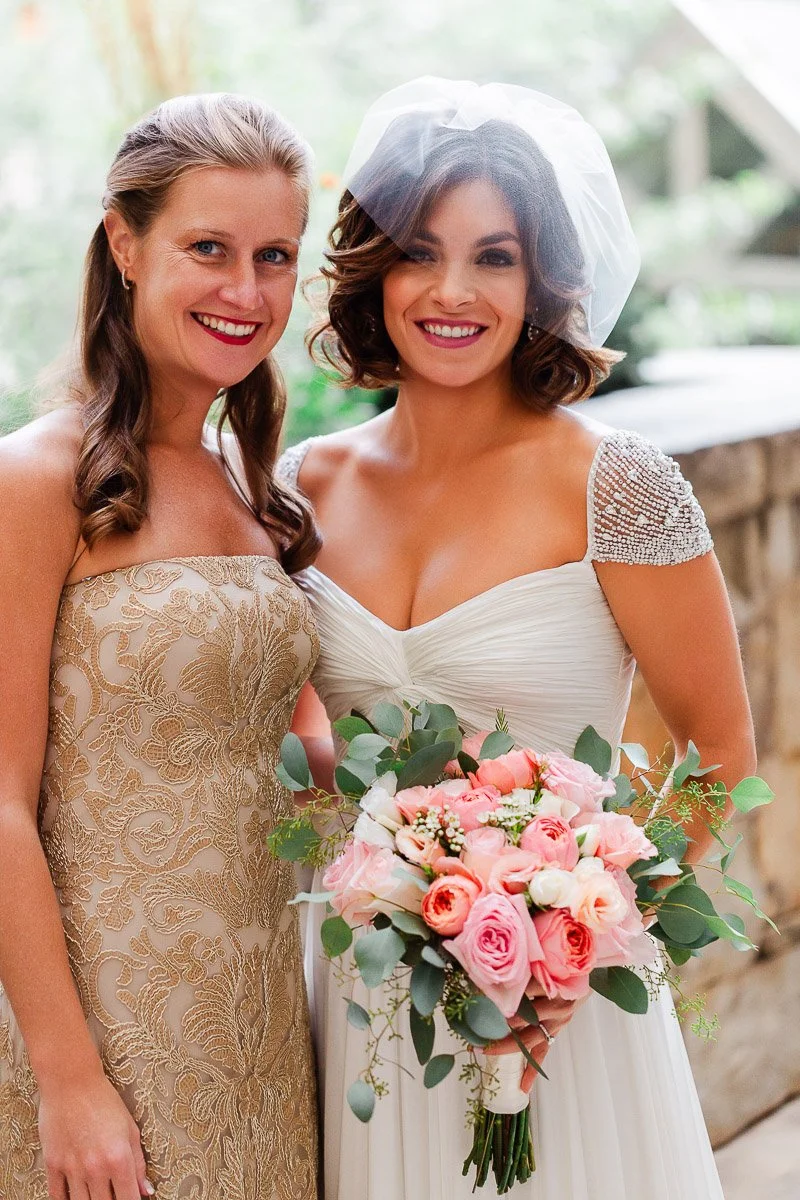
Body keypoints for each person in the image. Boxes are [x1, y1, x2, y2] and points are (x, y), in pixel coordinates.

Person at [279, 78, 755, 1199]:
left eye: (492, 257)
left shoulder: (616, 487)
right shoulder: (296, 490)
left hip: (559, 1022)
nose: (451, 291)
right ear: (371, 270)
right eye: (417, 252)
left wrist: (578, 939)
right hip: (363, 1012)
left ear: (542, 282)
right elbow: (294, 761)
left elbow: (719, 755)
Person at [0, 93, 321, 1200]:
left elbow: (287, 766)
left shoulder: (251, 492)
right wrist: (69, 1079)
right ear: (125, 244)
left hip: (270, 1036)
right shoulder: (37, 480)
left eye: (273, 256)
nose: (245, 292)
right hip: (111, 1049)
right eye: (208, 249)